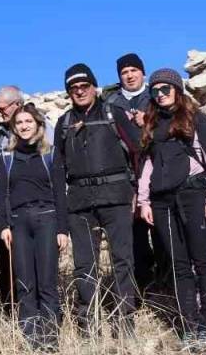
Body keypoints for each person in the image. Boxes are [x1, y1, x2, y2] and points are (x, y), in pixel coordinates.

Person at [136, 69, 206, 346]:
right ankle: (189, 325)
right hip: (162, 201)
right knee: (178, 265)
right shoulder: (151, 124)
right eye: (155, 91)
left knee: (203, 262)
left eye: (165, 89)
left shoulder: (197, 119)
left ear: (177, 89)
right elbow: (148, 165)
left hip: (193, 195)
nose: (160, 95)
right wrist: (144, 201)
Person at [54, 63, 142, 336]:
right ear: (69, 92)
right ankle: (87, 324)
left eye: (84, 86)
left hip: (116, 196)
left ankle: (123, 321)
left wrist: (140, 192)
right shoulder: (64, 123)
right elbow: (58, 170)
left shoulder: (114, 113)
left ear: (94, 87)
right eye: (73, 88)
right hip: (79, 201)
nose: (79, 92)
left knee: (122, 260)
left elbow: (137, 151)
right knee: (84, 264)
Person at [0, 104, 69, 351]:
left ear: (38, 124)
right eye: (19, 123)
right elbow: (1, 194)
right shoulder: (6, 157)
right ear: (14, 128)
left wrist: (62, 228)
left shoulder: (50, 154)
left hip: (47, 218)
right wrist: (3, 225)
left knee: (47, 281)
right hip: (18, 222)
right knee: (25, 282)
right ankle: (31, 339)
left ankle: (50, 340)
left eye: (28, 121)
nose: (24, 126)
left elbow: (60, 191)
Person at [102, 53, 165, 298]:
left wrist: (148, 121)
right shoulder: (110, 102)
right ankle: (142, 289)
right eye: (124, 72)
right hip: (125, 178)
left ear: (142, 72)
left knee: (160, 233)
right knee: (134, 238)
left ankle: (165, 284)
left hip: (157, 173)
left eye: (133, 71)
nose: (129, 76)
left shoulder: (157, 95)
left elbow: (173, 123)